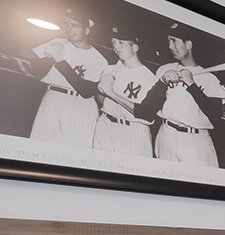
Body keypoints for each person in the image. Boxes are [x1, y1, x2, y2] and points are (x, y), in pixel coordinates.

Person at [145, 22, 225, 167]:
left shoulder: (209, 78)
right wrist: (163, 81)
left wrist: (191, 84)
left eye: (174, 41)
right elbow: (149, 107)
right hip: (166, 133)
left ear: (189, 44)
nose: (170, 46)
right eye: (168, 41)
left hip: (195, 141)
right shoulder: (165, 70)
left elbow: (215, 115)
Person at [29, 8, 108, 147]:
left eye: (75, 26)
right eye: (67, 24)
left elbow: (86, 90)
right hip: (52, 97)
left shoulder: (98, 59)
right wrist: (48, 57)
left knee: (77, 149)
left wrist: (58, 59)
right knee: (41, 145)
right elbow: (35, 70)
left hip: (80, 105)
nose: (69, 29)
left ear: (87, 30)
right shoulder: (57, 42)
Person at [94, 25, 157, 157]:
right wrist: (101, 92)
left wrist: (111, 93)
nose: (116, 47)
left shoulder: (150, 78)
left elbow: (145, 113)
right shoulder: (110, 69)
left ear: (135, 47)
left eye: (121, 43)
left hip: (133, 131)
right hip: (105, 123)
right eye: (113, 42)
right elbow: (100, 100)